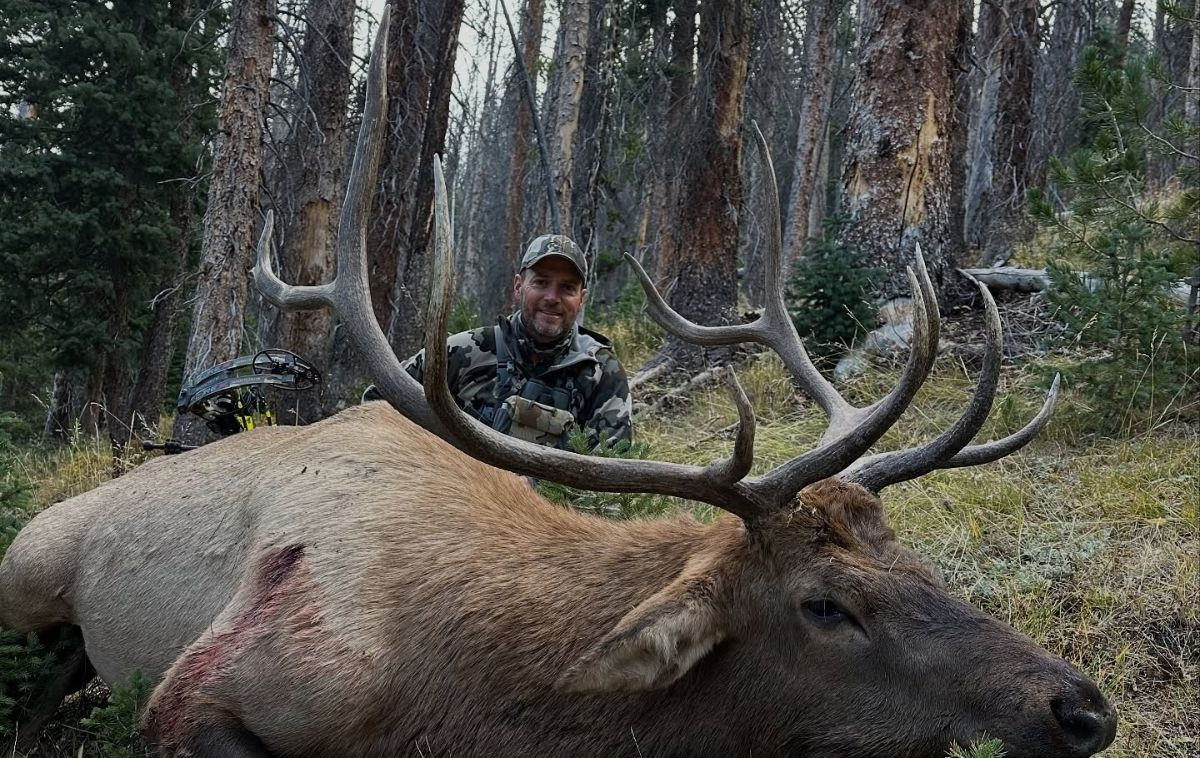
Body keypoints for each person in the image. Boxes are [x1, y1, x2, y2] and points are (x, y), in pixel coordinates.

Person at [367, 234, 632, 450]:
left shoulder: (602, 372)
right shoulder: (464, 350)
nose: (552, 297)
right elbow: (377, 403)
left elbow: (611, 466)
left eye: (567, 288)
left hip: (551, 501)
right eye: (541, 283)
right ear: (518, 286)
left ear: (582, 298)